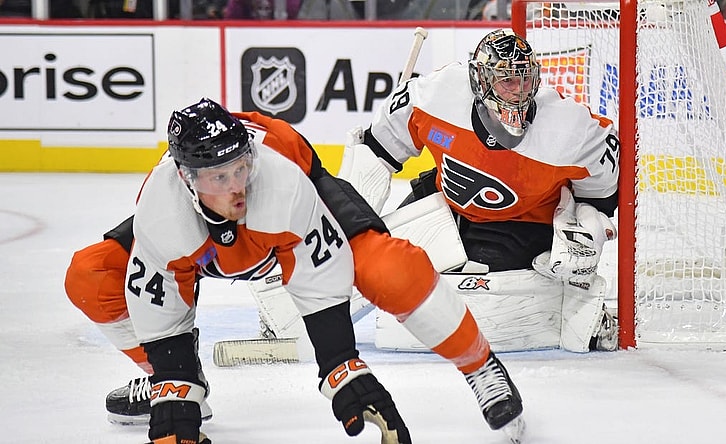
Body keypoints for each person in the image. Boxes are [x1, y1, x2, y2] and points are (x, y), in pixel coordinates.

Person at [65, 98, 525, 443]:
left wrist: (343, 368)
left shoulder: (280, 183)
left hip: (299, 213)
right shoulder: (162, 211)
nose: (236, 188)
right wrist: (175, 384)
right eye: (218, 178)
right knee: (89, 274)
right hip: (209, 241)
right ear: (186, 179)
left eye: (240, 168)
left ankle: (479, 365)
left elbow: (317, 282)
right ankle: (169, 382)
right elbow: (159, 300)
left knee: (393, 271)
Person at [339, 28, 620, 354]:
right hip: (442, 205)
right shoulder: (434, 96)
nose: (519, 93)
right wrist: (351, 227)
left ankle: (570, 311)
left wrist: (584, 219)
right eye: (508, 81)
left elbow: (601, 193)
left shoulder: (571, 129)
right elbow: (373, 153)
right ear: (480, 81)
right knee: (374, 268)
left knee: (471, 314)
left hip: (522, 223)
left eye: (525, 80)